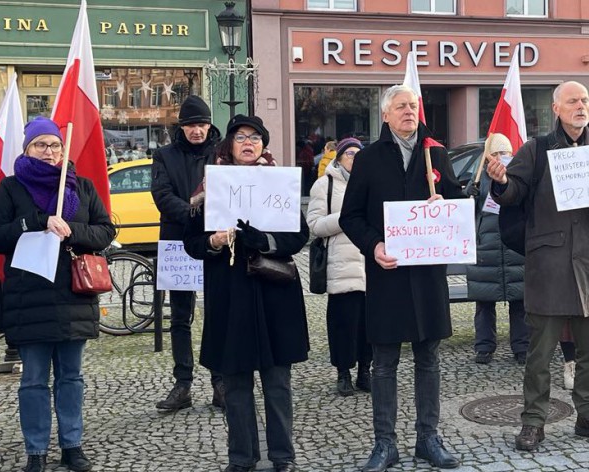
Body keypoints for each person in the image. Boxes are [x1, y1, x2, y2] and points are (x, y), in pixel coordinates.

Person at [486, 81, 589, 451]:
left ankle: (588, 416)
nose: (580, 106)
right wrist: (501, 181)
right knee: (540, 353)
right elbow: (513, 190)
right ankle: (533, 421)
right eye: (572, 101)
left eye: (584, 100)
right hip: (548, 263)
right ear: (556, 109)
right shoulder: (537, 149)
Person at [340, 84, 463, 472]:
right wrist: (373, 245)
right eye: (401, 107)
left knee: (428, 358)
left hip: (427, 275)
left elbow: (460, 207)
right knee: (384, 363)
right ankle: (385, 443)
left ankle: (429, 438)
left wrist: (447, 207)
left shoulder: (436, 152)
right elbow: (350, 217)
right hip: (388, 275)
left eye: (413, 105)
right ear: (386, 115)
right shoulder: (370, 158)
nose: (409, 111)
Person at [184, 114, 309, 472]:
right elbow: (190, 242)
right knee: (235, 383)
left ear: (263, 145)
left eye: (255, 137)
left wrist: (265, 242)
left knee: (277, 382)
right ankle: (242, 457)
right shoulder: (210, 187)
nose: (249, 143)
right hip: (230, 295)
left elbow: (299, 236)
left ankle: (283, 456)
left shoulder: (279, 184)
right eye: (241, 137)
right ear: (230, 145)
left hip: (274, 293)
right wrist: (214, 240)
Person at [0, 117, 115, 472]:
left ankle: (72, 445)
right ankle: (36, 450)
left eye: (54, 145)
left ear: (63, 149)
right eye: (40, 145)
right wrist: (35, 221)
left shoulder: (82, 187)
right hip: (28, 298)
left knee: (71, 377)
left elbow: (105, 231)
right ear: (27, 149)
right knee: (33, 380)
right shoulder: (10, 189)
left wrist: (71, 230)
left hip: (73, 298)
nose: (49, 152)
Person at [151, 95, 224, 411]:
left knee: (217, 313)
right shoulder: (164, 155)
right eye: (192, 125)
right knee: (180, 317)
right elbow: (162, 194)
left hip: (215, 241)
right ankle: (183, 383)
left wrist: (208, 219)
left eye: (203, 124)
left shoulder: (221, 154)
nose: (198, 130)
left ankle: (220, 381)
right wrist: (192, 213)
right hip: (178, 241)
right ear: (182, 127)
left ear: (209, 125)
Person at [307, 137, 372, 397]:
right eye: (350, 154)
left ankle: (365, 371)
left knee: (369, 326)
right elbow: (315, 225)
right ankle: (343, 373)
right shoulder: (325, 185)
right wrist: (346, 219)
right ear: (339, 157)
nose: (355, 158)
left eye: (359, 154)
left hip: (369, 265)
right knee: (343, 325)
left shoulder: (371, 184)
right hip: (341, 267)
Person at [465, 133, 528, 366]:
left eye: (505, 152)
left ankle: (522, 347)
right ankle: (484, 347)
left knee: (520, 303)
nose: (501, 157)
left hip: (513, 245)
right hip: (487, 246)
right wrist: (468, 197)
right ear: (488, 156)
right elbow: (467, 215)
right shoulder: (479, 177)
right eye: (497, 153)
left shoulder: (518, 176)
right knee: (484, 303)